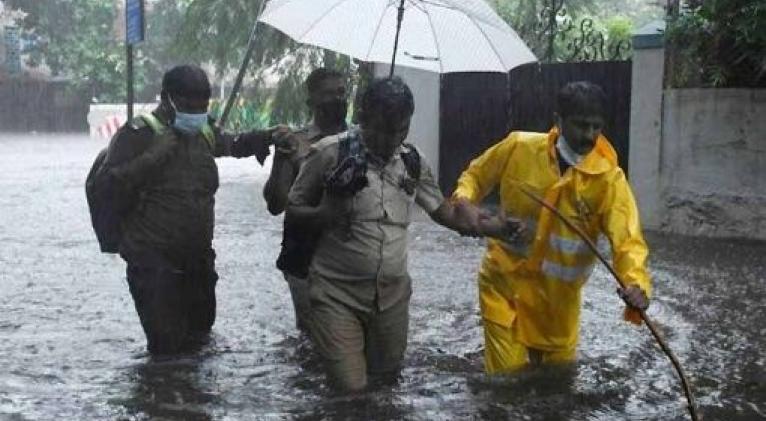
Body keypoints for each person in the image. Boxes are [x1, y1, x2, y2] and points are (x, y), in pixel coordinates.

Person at [286, 76, 522, 391]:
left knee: (386, 384)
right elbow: (292, 209)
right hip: (335, 294)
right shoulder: (330, 154)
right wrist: (325, 214)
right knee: (351, 389)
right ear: (363, 118)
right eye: (383, 130)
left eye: (401, 130)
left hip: (392, 298)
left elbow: (444, 212)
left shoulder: (411, 161)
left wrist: (493, 226)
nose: (391, 139)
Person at [452, 81, 651, 373]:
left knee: (557, 382)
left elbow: (628, 240)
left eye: (597, 127)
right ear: (558, 120)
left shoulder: (609, 182)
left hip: (558, 306)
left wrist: (636, 284)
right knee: (507, 381)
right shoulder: (518, 147)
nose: (590, 135)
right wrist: (464, 202)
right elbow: (475, 176)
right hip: (504, 288)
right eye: (581, 126)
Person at [91, 65, 286, 355]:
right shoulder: (138, 134)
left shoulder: (204, 132)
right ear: (166, 99)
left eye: (202, 105)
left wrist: (268, 137)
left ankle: (191, 399)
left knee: (200, 343)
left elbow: (233, 144)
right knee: (165, 349)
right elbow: (106, 186)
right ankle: (160, 397)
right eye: (188, 105)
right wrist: (153, 157)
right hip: (153, 261)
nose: (196, 112)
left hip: (198, 260)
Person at [263, 68, 349, 332]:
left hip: (350, 253)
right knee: (312, 333)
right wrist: (282, 159)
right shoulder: (295, 142)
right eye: (328, 94)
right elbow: (276, 205)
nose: (337, 99)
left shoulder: (361, 141)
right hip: (304, 255)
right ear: (311, 102)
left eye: (341, 92)